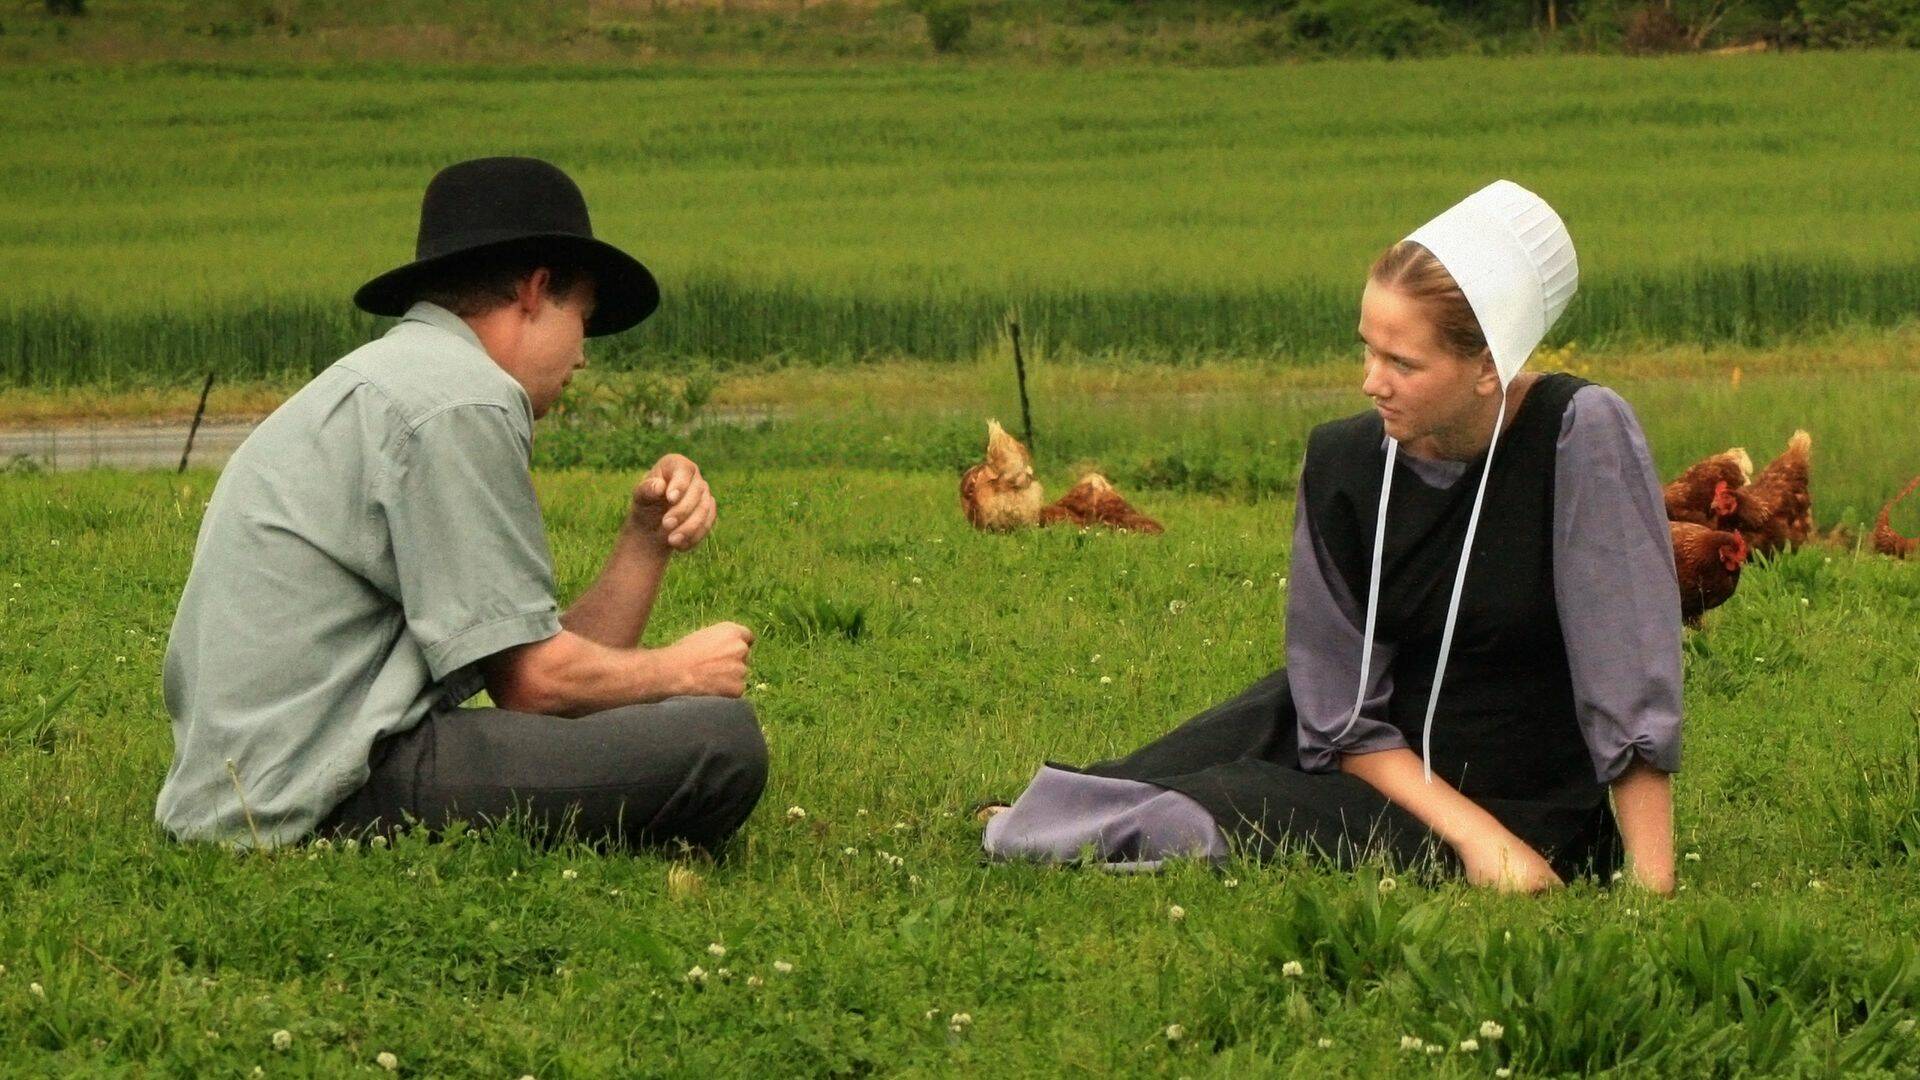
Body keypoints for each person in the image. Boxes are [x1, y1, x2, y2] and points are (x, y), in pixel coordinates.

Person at [982, 181, 1683, 894]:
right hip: (1376, 754)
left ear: (1485, 369)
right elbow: (1341, 716)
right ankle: (1050, 815)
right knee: (1217, 743)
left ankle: (1086, 825)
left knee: (1213, 812)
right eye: (1368, 350)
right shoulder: (1344, 463)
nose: (1371, 382)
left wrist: (1649, 887)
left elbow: (1625, 676)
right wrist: (1479, 844)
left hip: (1516, 790)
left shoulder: (1579, 434)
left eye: (1403, 363)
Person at [157, 157, 767, 853]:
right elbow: (538, 690)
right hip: (313, 792)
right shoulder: (458, 399)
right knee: (720, 741)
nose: (583, 357)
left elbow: (533, 678)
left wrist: (644, 537)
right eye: (585, 319)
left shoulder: (406, 377)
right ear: (536, 291)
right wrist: (680, 671)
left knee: (682, 726)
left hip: (259, 779)